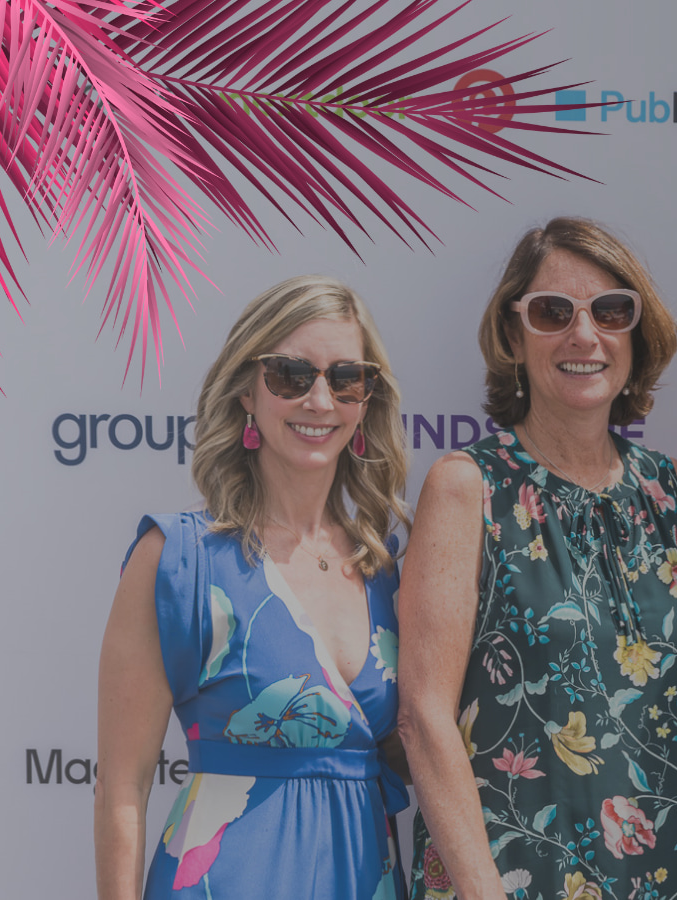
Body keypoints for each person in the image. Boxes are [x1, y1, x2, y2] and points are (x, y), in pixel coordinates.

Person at [397, 217, 677, 900]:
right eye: (551, 312)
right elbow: (423, 715)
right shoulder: (466, 489)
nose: (584, 334)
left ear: (636, 330)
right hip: (512, 881)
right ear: (513, 335)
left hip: (669, 882)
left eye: (611, 310)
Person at [95, 275, 413, 900]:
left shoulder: (385, 569)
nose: (321, 400)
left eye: (346, 378)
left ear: (366, 399)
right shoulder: (178, 561)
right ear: (247, 389)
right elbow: (121, 790)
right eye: (292, 375)